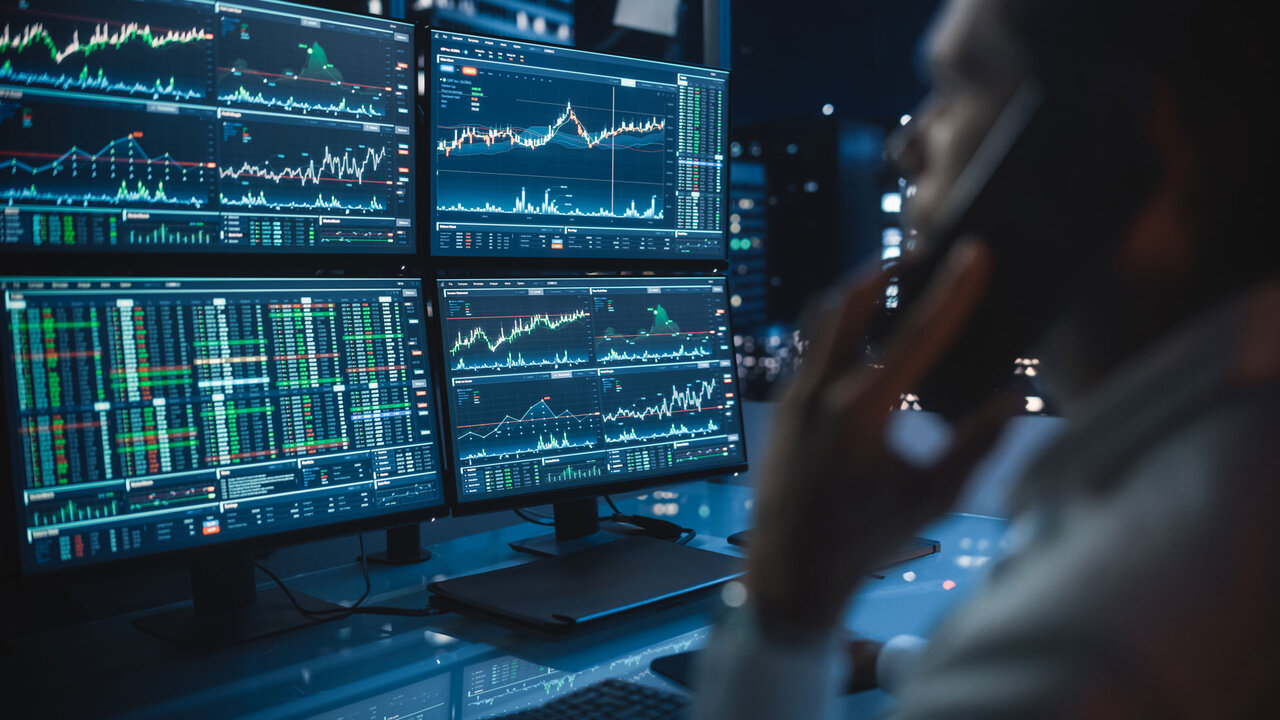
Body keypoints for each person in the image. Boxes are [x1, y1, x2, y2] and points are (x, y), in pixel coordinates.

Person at [695, 0, 1279, 716]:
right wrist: (912, 664)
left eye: (959, 82)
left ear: (1134, 148)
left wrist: (786, 607)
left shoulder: (1091, 646)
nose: (905, 146)